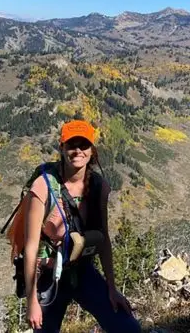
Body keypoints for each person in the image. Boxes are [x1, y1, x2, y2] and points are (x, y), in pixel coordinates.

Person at [22, 120, 141, 333]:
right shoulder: (43, 187)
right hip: (49, 277)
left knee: (128, 328)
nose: (77, 150)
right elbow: (30, 248)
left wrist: (112, 289)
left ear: (92, 150)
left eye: (83, 145)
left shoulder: (98, 186)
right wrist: (31, 301)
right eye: (71, 145)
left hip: (83, 271)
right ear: (62, 148)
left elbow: (104, 238)